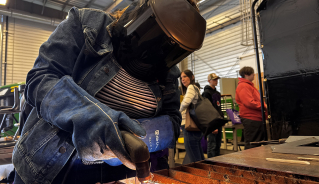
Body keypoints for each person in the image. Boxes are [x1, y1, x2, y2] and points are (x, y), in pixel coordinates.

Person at [12, 0, 205, 183]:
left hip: (119, 175)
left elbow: (172, 121)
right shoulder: (88, 25)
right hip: (51, 168)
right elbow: (41, 78)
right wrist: (95, 122)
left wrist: (136, 136)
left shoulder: (168, 71)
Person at [235, 66, 267, 150]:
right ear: (246, 75)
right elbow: (249, 102)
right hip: (251, 118)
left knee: (256, 143)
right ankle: (250, 162)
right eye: (252, 73)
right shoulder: (244, 86)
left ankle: (255, 161)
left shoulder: (249, 86)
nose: (254, 75)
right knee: (252, 144)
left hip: (256, 118)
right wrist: (264, 106)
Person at [179, 70, 204, 164]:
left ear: (192, 77)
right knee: (199, 156)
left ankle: (201, 176)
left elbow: (185, 103)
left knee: (195, 159)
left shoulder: (191, 87)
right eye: (181, 78)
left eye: (185, 76)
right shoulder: (196, 88)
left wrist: (178, 113)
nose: (183, 79)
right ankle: (205, 175)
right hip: (196, 126)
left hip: (189, 127)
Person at [202, 73, 223, 158]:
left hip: (218, 121)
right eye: (214, 79)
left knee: (218, 144)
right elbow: (207, 109)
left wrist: (222, 119)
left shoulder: (217, 93)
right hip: (212, 122)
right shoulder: (206, 93)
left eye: (216, 79)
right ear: (209, 81)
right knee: (212, 144)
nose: (216, 81)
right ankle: (211, 163)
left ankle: (217, 162)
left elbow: (219, 107)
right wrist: (211, 125)